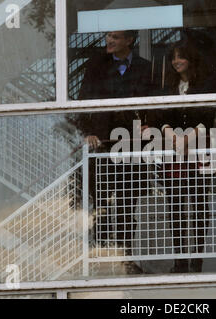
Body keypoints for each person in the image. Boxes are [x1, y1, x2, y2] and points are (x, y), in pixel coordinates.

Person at [73, 30, 156, 260]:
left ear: (129, 40)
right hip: (103, 146)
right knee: (101, 204)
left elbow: (152, 104)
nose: (109, 40)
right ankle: (100, 257)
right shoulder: (97, 66)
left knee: (128, 205)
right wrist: (87, 132)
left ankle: (125, 258)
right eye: (108, 36)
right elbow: (83, 101)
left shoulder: (144, 66)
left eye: (116, 37)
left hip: (132, 147)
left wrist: (149, 126)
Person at [153, 39, 216, 273]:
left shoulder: (205, 84)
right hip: (174, 153)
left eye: (180, 57)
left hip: (198, 150)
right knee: (176, 205)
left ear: (191, 59)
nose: (176, 61)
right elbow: (162, 118)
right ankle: (180, 260)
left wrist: (186, 139)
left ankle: (196, 261)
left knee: (199, 205)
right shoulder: (169, 87)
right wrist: (171, 134)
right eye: (173, 58)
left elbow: (207, 117)